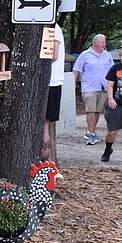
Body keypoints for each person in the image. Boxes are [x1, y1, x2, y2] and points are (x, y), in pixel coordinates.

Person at [73, 34, 113, 145]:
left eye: (105, 42)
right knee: (90, 110)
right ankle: (90, 133)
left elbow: (112, 71)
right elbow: (76, 70)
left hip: (103, 87)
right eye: (102, 42)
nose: (104, 44)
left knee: (97, 111)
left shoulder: (107, 55)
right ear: (95, 43)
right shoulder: (85, 55)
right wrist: (73, 83)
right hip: (89, 87)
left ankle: (92, 131)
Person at [42, 23, 66, 160]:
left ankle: (47, 164)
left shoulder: (52, 27)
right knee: (43, 125)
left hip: (52, 81)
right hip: (50, 81)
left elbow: (53, 55)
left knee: (45, 126)